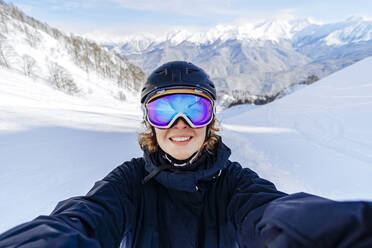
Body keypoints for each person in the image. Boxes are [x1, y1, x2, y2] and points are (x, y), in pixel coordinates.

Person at [1, 61, 372, 248]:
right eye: (165, 112)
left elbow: (273, 212)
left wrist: (340, 231)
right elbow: (83, 218)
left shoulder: (236, 183)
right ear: (150, 123)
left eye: (195, 110)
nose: (181, 124)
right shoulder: (128, 183)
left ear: (211, 121)